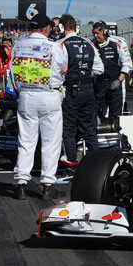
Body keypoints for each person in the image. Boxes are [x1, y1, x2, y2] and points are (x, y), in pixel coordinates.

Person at [10, 14, 66, 199]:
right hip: (48, 96)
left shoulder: (18, 44)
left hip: (26, 95)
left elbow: (12, 71)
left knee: (26, 140)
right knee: (50, 141)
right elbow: (61, 71)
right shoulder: (53, 46)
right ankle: (48, 184)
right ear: (46, 29)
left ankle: (21, 183)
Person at [58, 14, 104, 167]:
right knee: (89, 127)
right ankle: (97, 160)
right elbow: (99, 69)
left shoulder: (60, 44)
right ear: (76, 28)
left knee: (69, 126)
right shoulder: (89, 44)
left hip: (70, 90)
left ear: (61, 28)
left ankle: (71, 160)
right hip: (88, 89)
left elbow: (57, 69)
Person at [92, 22, 132, 120]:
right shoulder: (92, 44)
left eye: (98, 33)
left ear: (105, 32)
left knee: (116, 114)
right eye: (94, 33)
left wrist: (119, 81)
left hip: (116, 82)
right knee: (99, 112)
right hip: (99, 83)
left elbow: (127, 64)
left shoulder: (118, 42)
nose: (95, 36)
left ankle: (115, 132)